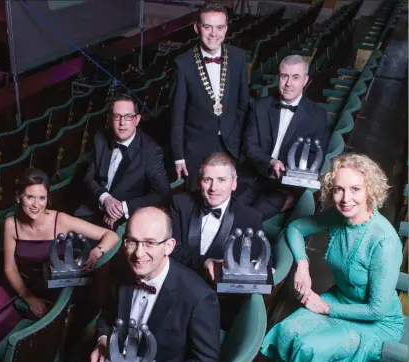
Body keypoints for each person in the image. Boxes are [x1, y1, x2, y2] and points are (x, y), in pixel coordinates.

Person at [35, 207, 221, 362]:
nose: (138, 254)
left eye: (150, 243)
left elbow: (206, 361)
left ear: (169, 246)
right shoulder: (121, 269)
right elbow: (107, 314)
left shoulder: (199, 297)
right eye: (132, 241)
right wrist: (103, 339)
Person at [260, 154, 405, 362]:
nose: (346, 199)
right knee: (289, 328)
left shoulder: (384, 241)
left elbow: (377, 310)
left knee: (311, 345)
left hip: (375, 320)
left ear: (371, 189)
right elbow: (295, 229)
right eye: (339, 189)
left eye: (355, 189)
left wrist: (325, 307)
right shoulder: (339, 217)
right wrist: (302, 264)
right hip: (342, 298)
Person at [0, 168, 119, 351]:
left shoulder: (60, 220)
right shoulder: (10, 224)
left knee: (38, 340)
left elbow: (110, 235)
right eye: (29, 197)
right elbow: (9, 268)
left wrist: (96, 253)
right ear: (18, 197)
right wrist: (29, 297)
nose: (36, 204)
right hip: (18, 283)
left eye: (42, 198)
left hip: (54, 284)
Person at [170, 4, 250, 191]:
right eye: (208, 27)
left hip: (230, 148)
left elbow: (243, 105)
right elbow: (177, 116)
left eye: (219, 27)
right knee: (197, 204)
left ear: (226, 29)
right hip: (195, 151)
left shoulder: (238, 57)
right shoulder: (183, 64)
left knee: (226, 202)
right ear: (197, 28)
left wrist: (237, 141)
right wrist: (179, 156)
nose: (214, 33)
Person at [240, 54, 329, 220]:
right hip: (254, 175)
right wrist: (270, 162)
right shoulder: (259, 106)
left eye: (295, 77)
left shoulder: (317, 116)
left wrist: (288, 174)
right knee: (226, 212)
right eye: (284, 76)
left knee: (250, 218)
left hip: (286, 186)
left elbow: (315, 159)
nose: (288, 83)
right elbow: (249, 146)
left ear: (305, 80)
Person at [77, 94, 172, 229]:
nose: (122, 122)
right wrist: (105, 199)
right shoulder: (100, 138)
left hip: (126, 220)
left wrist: (123, 208)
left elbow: (163, 194)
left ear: (137, 119)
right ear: (110, 119)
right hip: (93, 208)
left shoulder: (151, 151)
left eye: (128, 116)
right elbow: (89, 177)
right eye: (117, 116)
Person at [171, 152, 264, 280]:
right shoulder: (180, 204)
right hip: (176, 280)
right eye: (207, 180)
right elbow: (171, 249)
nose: (214, 188)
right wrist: (203, 262)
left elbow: (259, 259)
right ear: (199, 182)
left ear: (234, 183)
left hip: (218, 293)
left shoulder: (250, 217)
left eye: (222, 180)